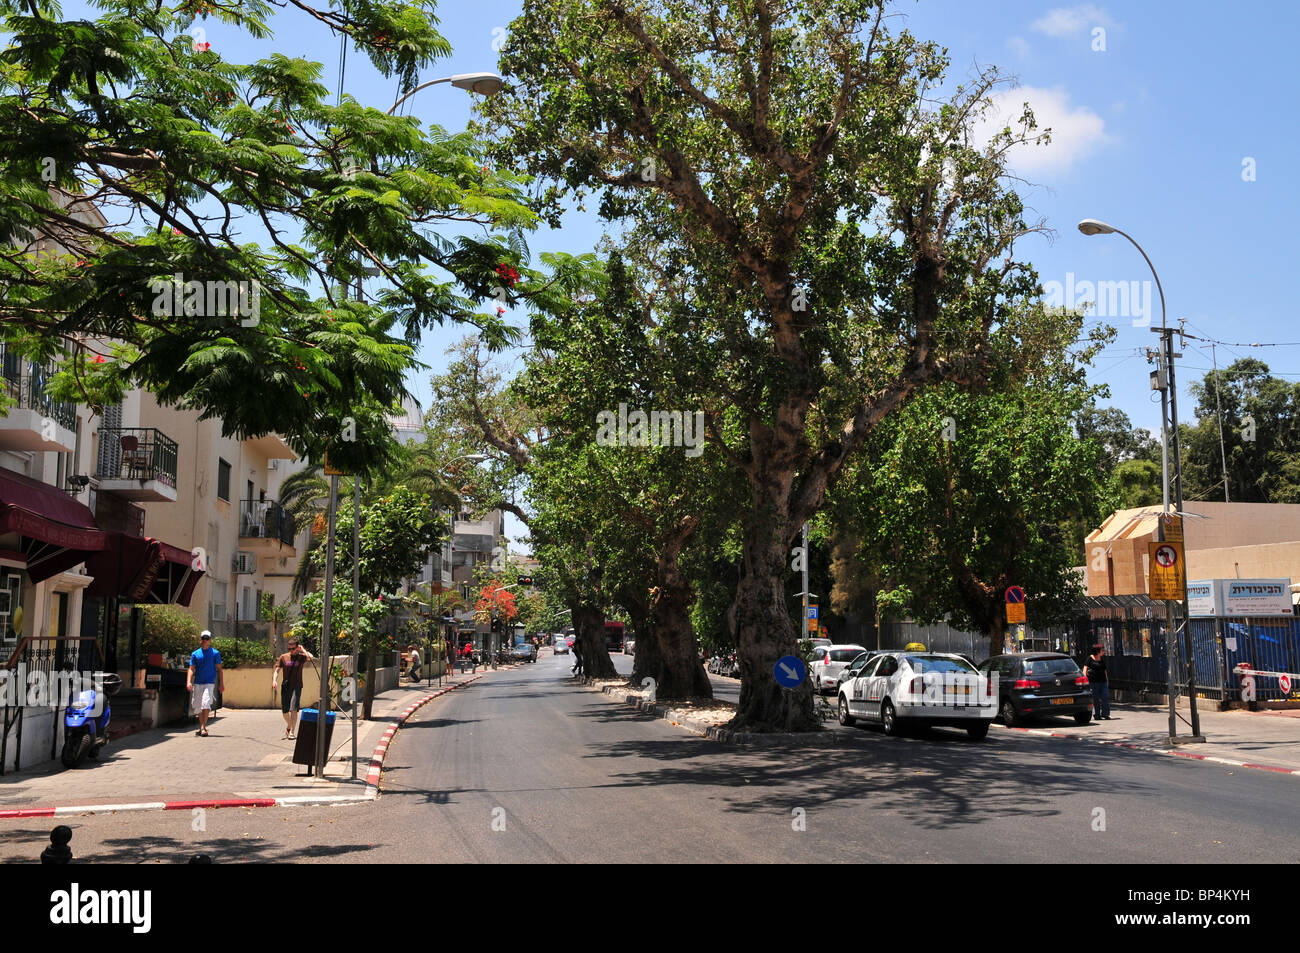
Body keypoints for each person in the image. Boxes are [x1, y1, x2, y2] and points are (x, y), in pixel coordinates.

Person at [272, 636, 314, 739]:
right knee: (285, 711)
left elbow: (311, 657)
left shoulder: (301, 657)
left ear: (297, 647)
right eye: (289, 648)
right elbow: (277, 670)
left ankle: (291, 732)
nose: (291, 650)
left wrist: (302, 649)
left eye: (293, 648)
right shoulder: (283, 657)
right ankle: (289, 726)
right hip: (286, 686)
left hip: (297, 686)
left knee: (293, 709)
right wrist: (274, 680)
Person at [187, 631, 224, 737]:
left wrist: (221, 684)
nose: (205, 640)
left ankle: (203, 727)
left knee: (206, 703)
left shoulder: (215, 653)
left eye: (207, 638)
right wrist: (188, 681)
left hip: (209, 682)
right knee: (198, 706)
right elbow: (191, 669)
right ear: (200, 639)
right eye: (203, 638)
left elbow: (220, 669)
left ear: (210, 640)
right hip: (198, 682)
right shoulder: (195, 654)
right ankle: (202, 726)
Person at [1084, 644, 1111, 720]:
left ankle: (1105, 714)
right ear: (1097, 651)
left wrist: (1107, 680)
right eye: (1102, 650)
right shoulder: (1089, 658)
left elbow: (1105, 670)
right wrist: (1085, 680)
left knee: (1105, 696)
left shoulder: (1102, 659)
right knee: (1095, 698)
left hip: (1103, 682)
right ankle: (1097, 714)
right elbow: (1085, 670)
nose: (1103, 651)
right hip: (1093, 682)